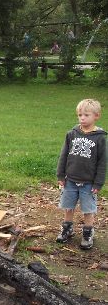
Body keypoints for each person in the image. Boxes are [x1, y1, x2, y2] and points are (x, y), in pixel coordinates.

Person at [56, 99, 106, 250]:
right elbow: (63, 155)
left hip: (89, 183)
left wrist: (98, 183)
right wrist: (60, 175)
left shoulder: (100, 138)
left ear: (96, 116)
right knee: (68, 207)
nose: (82, 118)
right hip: (70, 180)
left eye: (86, 115)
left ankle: (87, 233)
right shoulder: (72, 134)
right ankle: (67, 229)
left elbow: (102, 163)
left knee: (88, 209)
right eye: (79, 115)